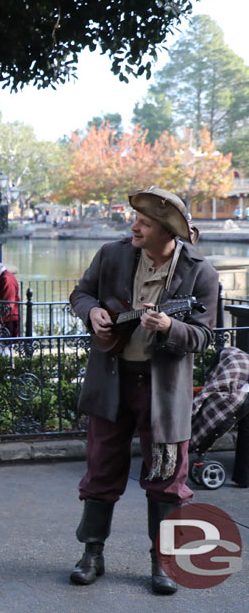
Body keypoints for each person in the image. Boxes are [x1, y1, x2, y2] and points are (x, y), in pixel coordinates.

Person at [68, 186, 218, 595]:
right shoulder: (112, 255)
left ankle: (164, 563)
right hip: (111, 383)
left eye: (144, 223)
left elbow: (204, 336)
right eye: (136, 220)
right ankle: (91, 554)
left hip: (163, 392)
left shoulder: (200, 272)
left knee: (168, 477)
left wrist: (172, 328)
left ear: (167, 232)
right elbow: (80, 294)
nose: (134, 226)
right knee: (100, 470)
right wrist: (93, 311)